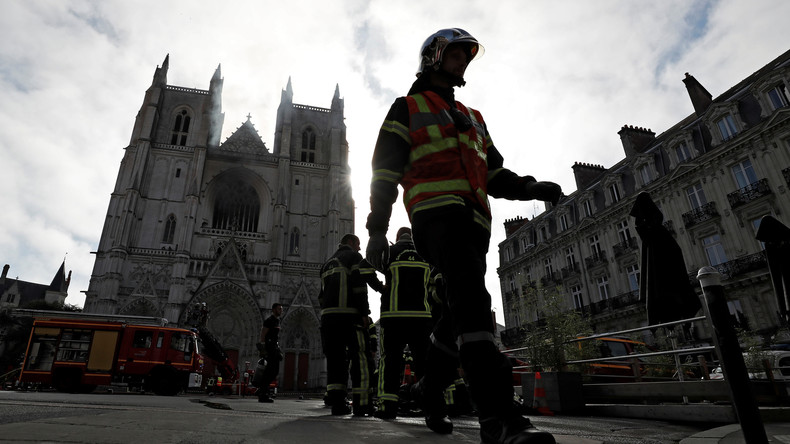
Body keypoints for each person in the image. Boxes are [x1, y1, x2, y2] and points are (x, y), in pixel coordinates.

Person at [365, 28, 561, 444]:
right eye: (456, 54)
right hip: (435, 218)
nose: (463, 62)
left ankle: (427, 387)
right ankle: (499, 420)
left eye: (467, 56)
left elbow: (492, 173)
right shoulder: (407, 108)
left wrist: (528, 187)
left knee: (457, 314)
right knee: (474, 306)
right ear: (434, 58)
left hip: (475, 224)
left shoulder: (474, 118)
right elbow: (384, 171)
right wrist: (377, 229)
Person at [374, 227, 433, 420]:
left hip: (394, 316)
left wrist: (380, 288)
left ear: (397, 237)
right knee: (424, 363)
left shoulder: (390, 252)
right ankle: (431, 407)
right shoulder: (425, 252)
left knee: (390, 361)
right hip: (421, 317)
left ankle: (387, 406)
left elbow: (366, 265)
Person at [319, 233, 373, 416]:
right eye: (358, 245)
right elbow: (359, 286)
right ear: (351, 242)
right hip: (349, 318)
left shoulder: (327, 263)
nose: (359, 248)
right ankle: (362, 404)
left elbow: (321, 296)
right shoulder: (353, 257)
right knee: (361, 359)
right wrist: (364, 312)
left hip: (328, 319)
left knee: (336, 362)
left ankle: (337, 404)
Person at [253, 302, 283, 403]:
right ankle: (263, 394)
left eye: (281, 309)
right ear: (274, 310)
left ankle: (262, 390)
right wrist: (263, 350)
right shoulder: (269, 321)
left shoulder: (278, 321)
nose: (281, 310)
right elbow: (263, 335)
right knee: (269, 371)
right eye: (279, 309)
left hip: (275, 348)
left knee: (274, 371)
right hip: (269, 349)